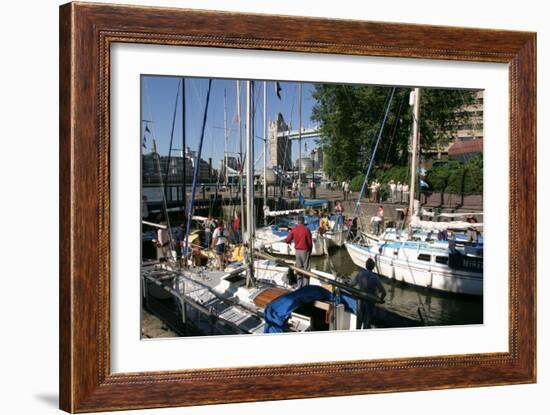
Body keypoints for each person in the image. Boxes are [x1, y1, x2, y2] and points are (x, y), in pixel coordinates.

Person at [352, 258, 386, 329]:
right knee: (367, 324)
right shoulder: (375, 278)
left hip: (360, 301)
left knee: (358, 323)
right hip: (370, 303)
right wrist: (379, 300)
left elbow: (351, 285)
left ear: (365, 265)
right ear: (373, 267)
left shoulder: (360, 274)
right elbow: (384, 292)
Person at [284, 216, 313, 287]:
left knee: (299, 268)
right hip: (305, 251)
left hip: (297, 251)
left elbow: (288, 239)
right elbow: (309, 243)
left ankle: (299, 285)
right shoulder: (307, 230)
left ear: (298, 222)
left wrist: (287, 241)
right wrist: (310, 250)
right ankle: (306, 287)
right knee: (306, 269)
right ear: (303, 221)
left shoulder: (294, 229)